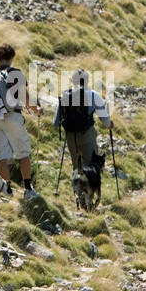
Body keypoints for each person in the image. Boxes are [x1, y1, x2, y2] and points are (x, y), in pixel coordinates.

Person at [0, 43, 40, 199]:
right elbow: (24, 96)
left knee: (3, 157)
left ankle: (6, 189)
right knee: (23, 153)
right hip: (13, 116)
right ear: (11, 57)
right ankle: (28, 188)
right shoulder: (15, 74)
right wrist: (36, 110)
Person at [55, 68, 111, 208]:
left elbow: (55, 122)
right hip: (87, 134)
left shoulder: (65, 96)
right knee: (89, 167)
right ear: (86, 81)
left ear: (73, 81)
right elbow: (105, 121)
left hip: (71, 137)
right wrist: (110, 124)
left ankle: (78, 197)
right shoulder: (93, 95)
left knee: (77, 167)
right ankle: (88, 201)